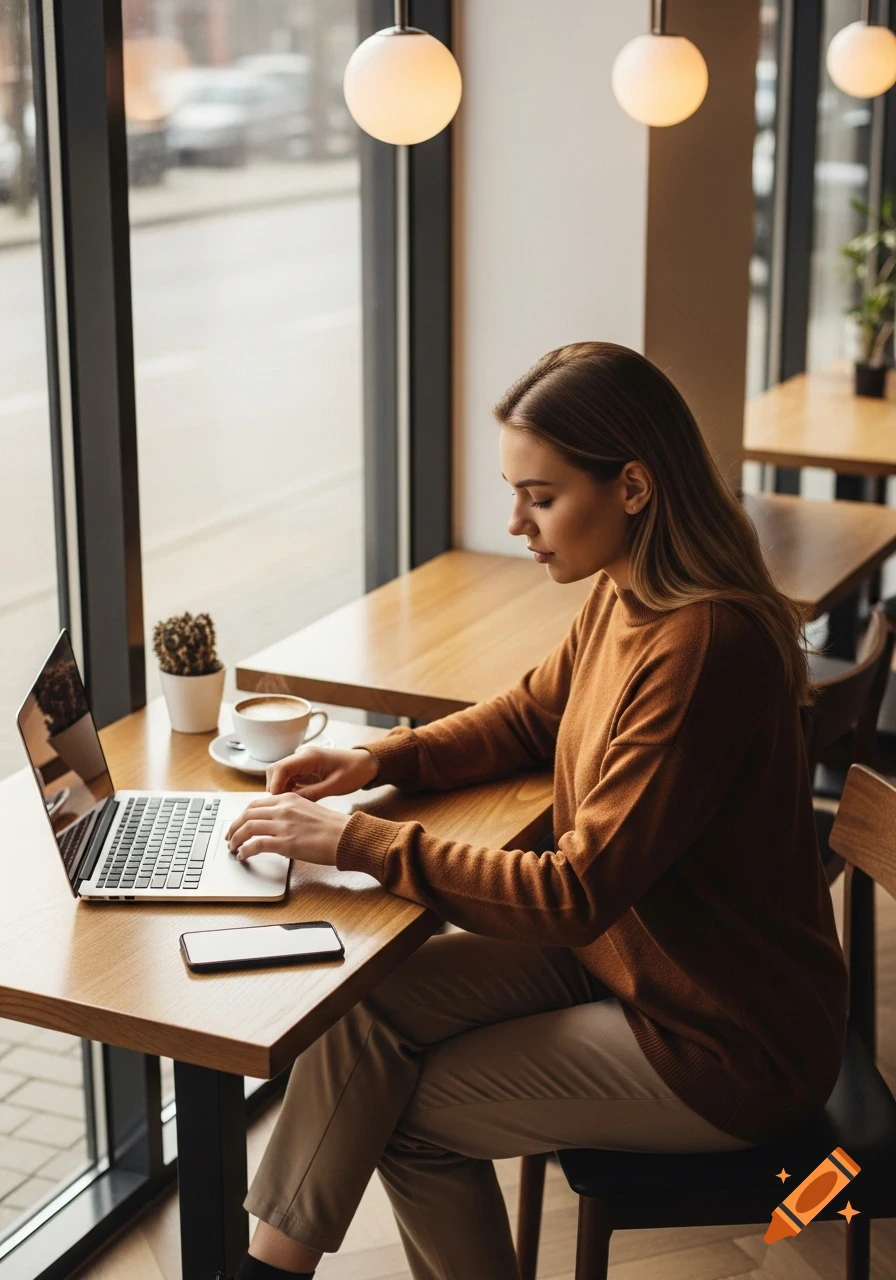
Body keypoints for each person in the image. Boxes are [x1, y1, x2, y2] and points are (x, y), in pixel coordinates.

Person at [221, 342, 848, 1280]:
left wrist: (362, 840)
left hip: (723, 1040)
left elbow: (574, 893)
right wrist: (373, 759)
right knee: (364, 1004)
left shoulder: (701, 647)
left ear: (633, 486)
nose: (516, 521)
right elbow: (528, 715)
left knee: (409, 1118)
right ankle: (269, 1267)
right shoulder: (627, 591)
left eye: (540, 497)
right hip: (634, 963)